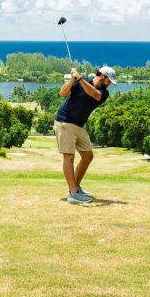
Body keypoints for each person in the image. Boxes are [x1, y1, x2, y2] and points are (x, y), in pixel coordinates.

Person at [55, 65, 116, 203]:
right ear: (102, 76)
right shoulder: (79, 81)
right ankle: (73, 193)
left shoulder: (103, 92)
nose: (109, 84)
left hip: (79, 125)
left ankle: (75, 186)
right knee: (69, 156)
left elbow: (94, 94)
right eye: (108, 81)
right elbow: (62, 93)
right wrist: (72, 79)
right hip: (65, 121)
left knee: (88, 155)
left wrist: (80, 79)